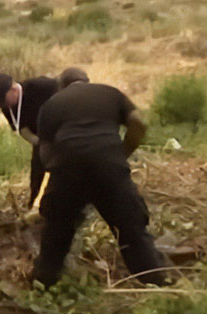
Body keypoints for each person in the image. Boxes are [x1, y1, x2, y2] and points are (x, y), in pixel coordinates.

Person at [32, 77, 168, 288]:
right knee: (130, 227)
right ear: (87, 81)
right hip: (109, 167)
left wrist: (60, 176)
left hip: (68, 170)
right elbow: (138, 123)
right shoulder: (111, 93)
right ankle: (154, 281)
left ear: (62, 87)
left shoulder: (51, 104)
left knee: (56, 232)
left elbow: (44, 150)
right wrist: (120, 155)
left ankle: (44, 284)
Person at [0, 72, 59, 207]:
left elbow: (67, 94)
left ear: (13, 89)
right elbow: (23, 130)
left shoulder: (41, 86)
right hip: (40, 137)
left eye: (4, 100)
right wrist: (40, 143)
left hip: (62, 129)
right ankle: (33, 203)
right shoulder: (7, 107)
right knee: (37, 168)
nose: (4, 105)